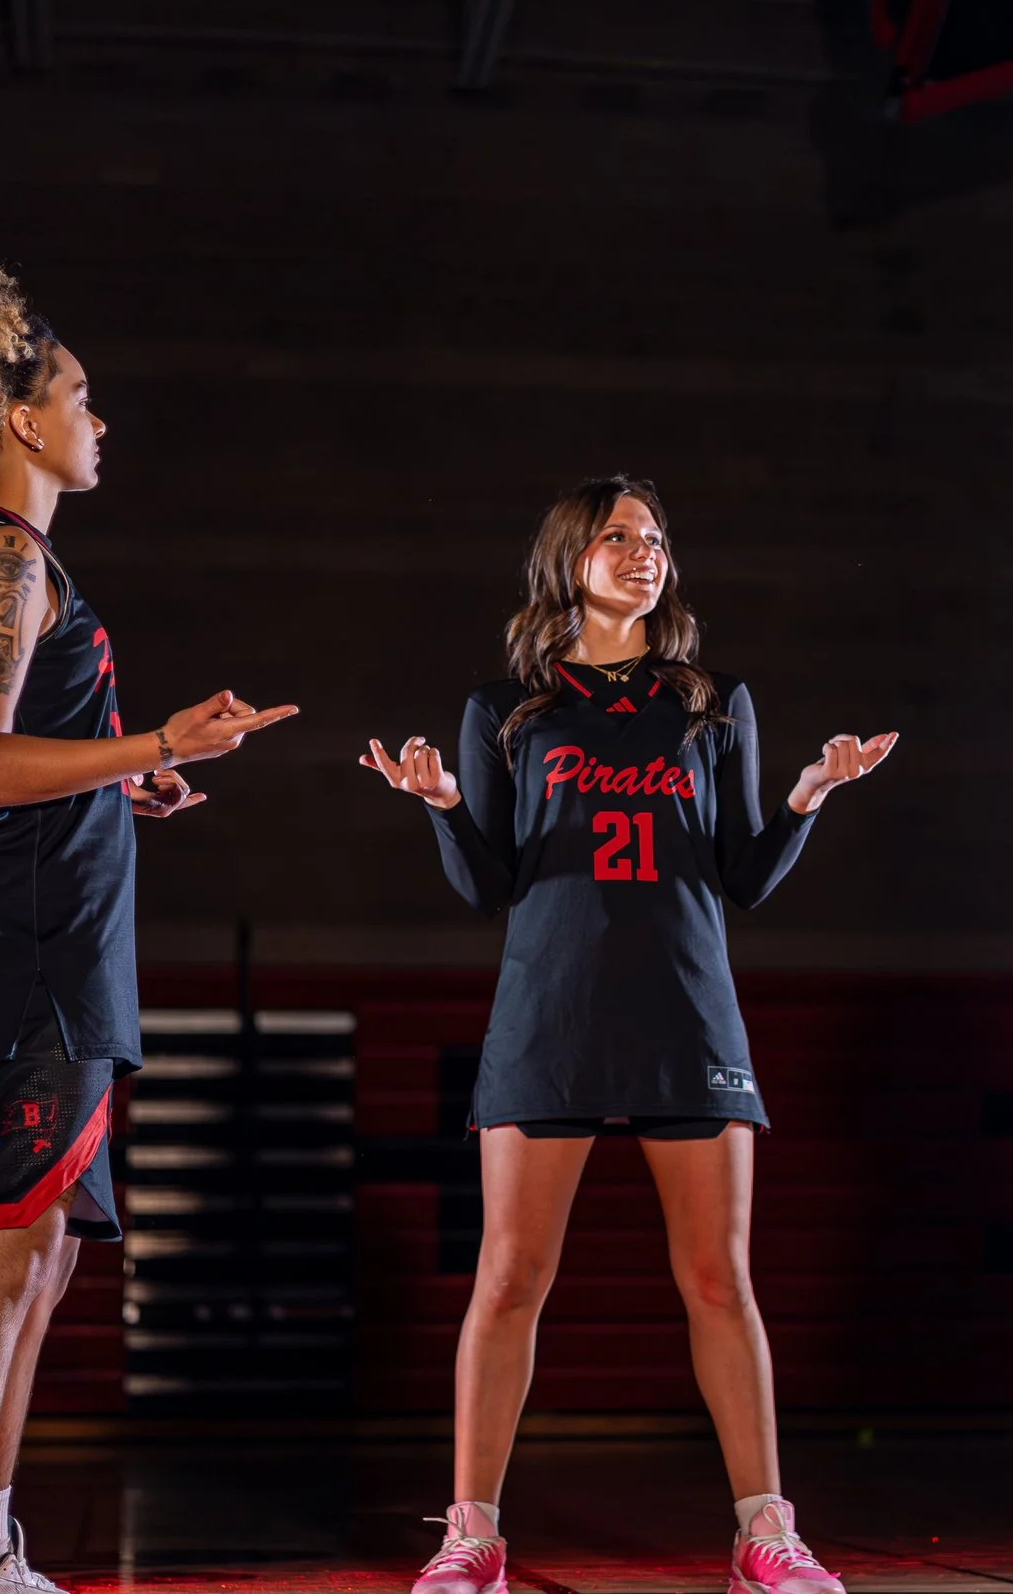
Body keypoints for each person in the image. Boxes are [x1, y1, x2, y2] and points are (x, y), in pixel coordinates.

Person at [0, 251, 299, 1594]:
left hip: (57, 935)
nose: (100, 418)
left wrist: (117, 769)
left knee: (43, 1257)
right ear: (22, 418)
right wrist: (148, 731)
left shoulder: (7, 564)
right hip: (24, 943)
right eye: (82, 395)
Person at [361, 478, 897, 1594]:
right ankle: (473, 1536)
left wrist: (805, 794)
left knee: (717, 1278)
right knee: (508, 1277)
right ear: (569, 556)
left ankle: (767, 1533)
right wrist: (439, 803)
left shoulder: (713, 701)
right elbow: (489, 881)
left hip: (685, 1006)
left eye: (654, 538)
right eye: (617, 535)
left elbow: (742, 875)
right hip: (548, 1009)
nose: (642, 552)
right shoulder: (507, 706)